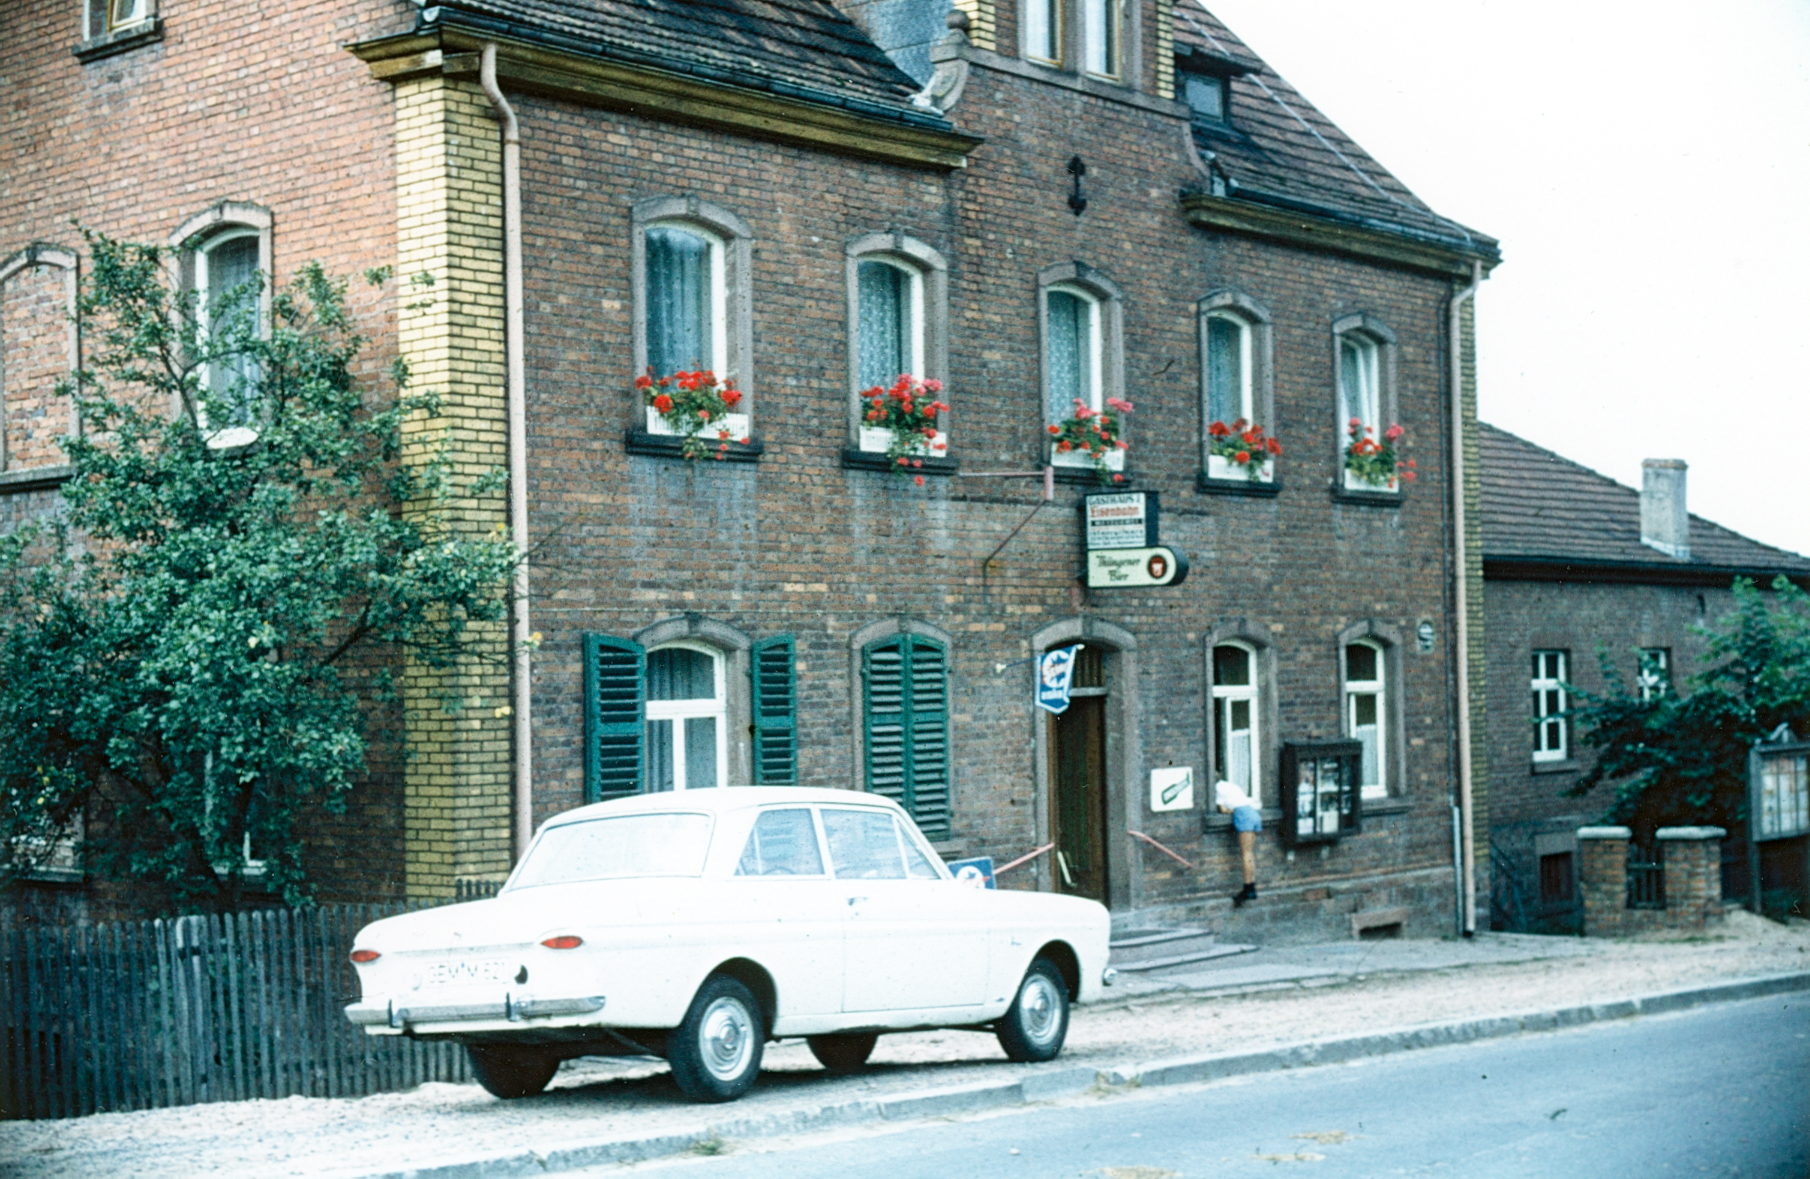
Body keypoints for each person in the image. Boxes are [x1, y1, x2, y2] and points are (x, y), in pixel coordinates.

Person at [1214, 779, 1261, 906]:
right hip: (1253, 813)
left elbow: (1222, 809)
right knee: (1249, 853)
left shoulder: (1218, 787)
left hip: (1243, 815)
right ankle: (1251, 887)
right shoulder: (1232, 786)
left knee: (1245, 853)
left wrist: (1231, 811)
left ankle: (1247, 888)